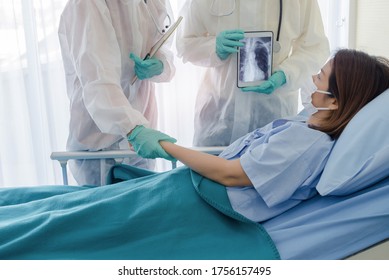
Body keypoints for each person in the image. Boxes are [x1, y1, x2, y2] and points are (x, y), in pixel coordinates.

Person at [1, 50, 389, 260]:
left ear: (337, 99)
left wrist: (167, 146)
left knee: (77, 222)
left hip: (197, 206)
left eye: (320, 79)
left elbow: (232, 175)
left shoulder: (310, 143)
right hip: (186, 190)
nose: (312, 80)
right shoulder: (308, 127)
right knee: (74, 206)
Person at [176, 0, 330, 146]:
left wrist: (286, 74)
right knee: (208, 170)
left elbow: (315, 46)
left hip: (273, 112)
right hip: (219, 114)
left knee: (268, 168)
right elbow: (185, 43)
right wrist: (213, 47)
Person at [58, 0, 177, 186]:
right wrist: (133, 127)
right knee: (104, 213)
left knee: (143, 210)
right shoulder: (86, 4)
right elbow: (98, 81)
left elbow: (163, 44)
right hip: (99, 144)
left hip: (140, 138)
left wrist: (161, 64)